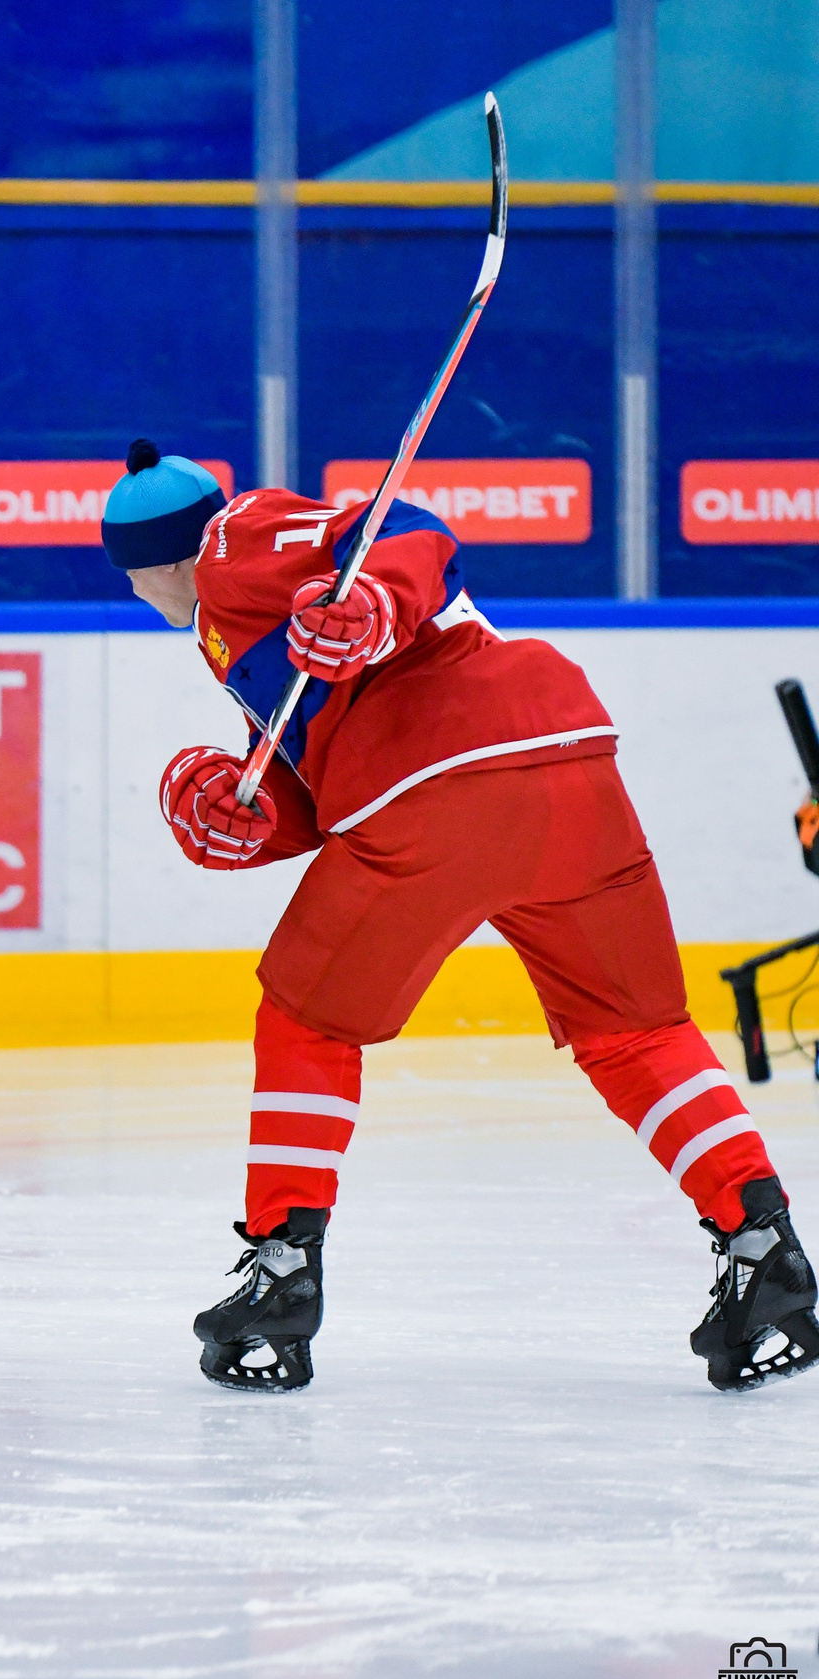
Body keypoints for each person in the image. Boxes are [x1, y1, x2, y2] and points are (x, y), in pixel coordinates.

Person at [102, 440, 817, 1393]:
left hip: (437, 779)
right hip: (564, 761)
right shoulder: (241, 629)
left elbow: (401, 530)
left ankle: (282, 1267)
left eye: (131, 579)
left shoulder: (234, 538)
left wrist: (373, 602)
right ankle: (763, 1245)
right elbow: (317, 782)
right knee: (635, 1029)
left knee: (308, 1017)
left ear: (153, 564)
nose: (137, 597)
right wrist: (242, 809)